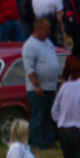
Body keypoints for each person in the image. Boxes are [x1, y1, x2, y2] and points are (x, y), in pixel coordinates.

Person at [22, 18, 60, 149]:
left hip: (50, 87)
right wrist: (36, 85)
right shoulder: (30, 45)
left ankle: (49, 141)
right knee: (38, 116)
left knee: (50, 116)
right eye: (47, 29)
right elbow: (29, 68)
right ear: (38, 29)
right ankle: (38, 142)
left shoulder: (48, 42)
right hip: (37, 88)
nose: (50, 31)